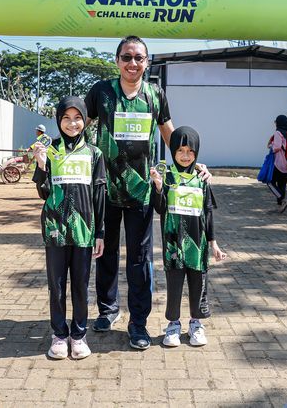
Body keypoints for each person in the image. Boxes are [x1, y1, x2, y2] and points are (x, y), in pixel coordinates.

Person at [84, 35, 210, 350]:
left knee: (140, 260)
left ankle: (138, 323)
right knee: (105, 253)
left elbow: (170, 133)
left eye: (138, 58)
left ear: (147, 62)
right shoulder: (101, 92)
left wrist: (189, 163)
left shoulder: (155, 94)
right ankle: (107, 310)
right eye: (127, 57)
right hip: (105, 188)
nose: (132, 63)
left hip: (142, 190)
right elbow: (76, 125)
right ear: (117, 61)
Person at [33, 96, 106, 360]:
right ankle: (59, 335)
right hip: (55, 229)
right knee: (56, 285)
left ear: (85, 120)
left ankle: (78, 335)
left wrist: (100, 233)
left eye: (77, 118)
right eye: (66, 118)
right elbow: (43, 192)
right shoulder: (50, 149)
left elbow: (99, 195)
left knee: (80, 286)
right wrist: (41, 165)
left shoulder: (94, 153)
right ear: (58, 120)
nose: (72, 124)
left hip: (84, 231)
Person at [149, 126, 226, 348]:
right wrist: (158, 186)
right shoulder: (167, 177)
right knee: (174, 284)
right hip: (173, 244)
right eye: (180, 150)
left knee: (198, 284)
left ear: (197, 152)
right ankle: (173, 324)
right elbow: (160, 208)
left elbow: (207, 214)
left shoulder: (201, 178)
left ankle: (196, 323)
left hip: (197, 246)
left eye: (190, 151)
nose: (185, 156)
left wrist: (213, 244)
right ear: (172, 150)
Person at [267, 115, 287, 212]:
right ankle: (280, 206)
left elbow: (277, 147)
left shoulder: (278, 133)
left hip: (280, 163)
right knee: (282, 185)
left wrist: (270, 145)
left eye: (276, 121)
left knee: (270, 182)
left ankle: (283, 200)